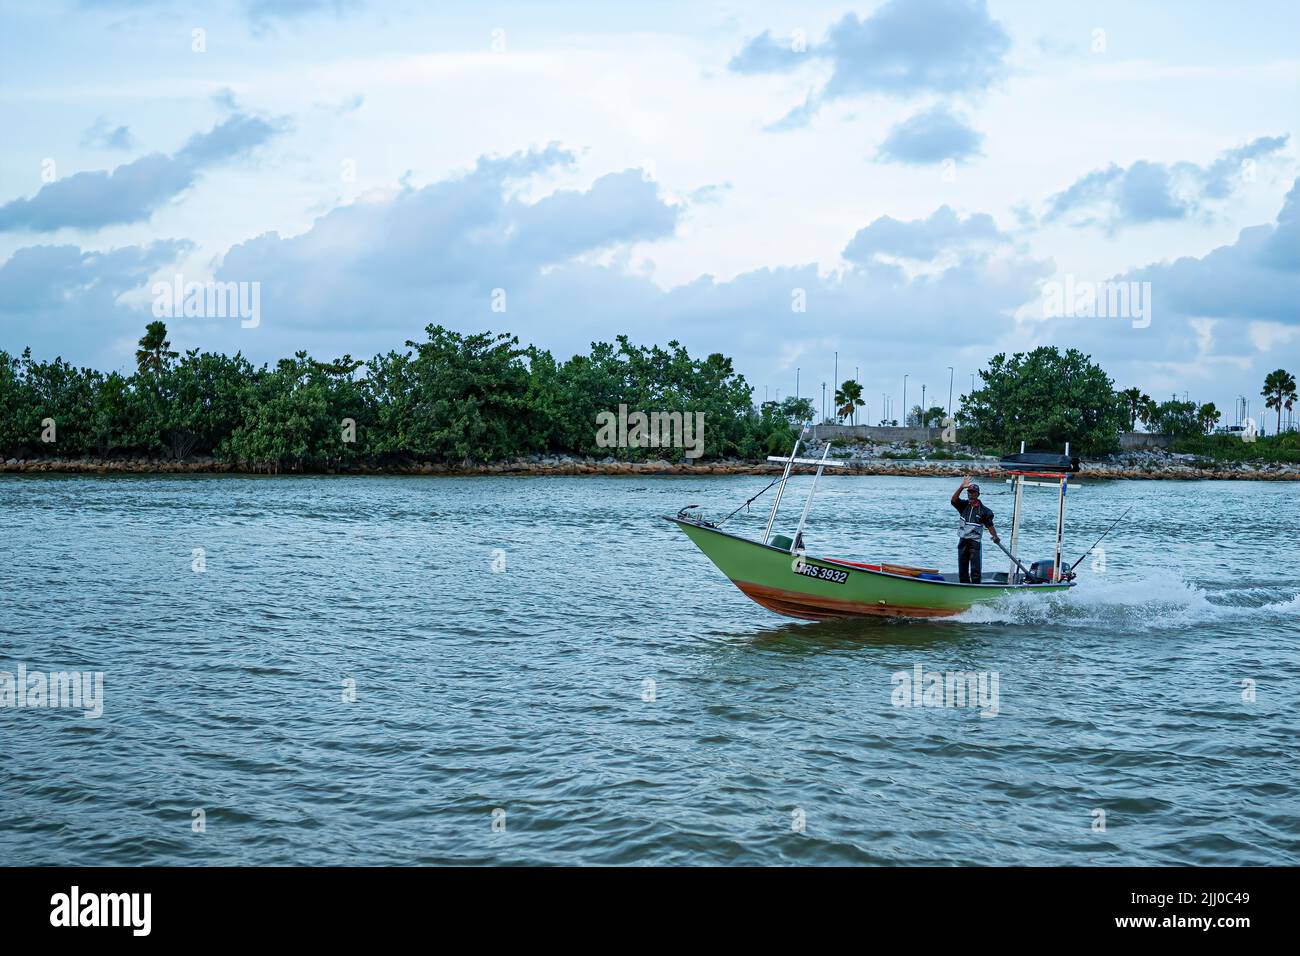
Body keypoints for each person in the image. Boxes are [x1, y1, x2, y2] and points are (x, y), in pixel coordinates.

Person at [950, 477, 1000, 584]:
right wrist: (961, 487)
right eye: (969, 492)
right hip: (963, 541)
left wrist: (995, 537)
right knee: (962, 569)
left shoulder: (984, 511)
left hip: (974, 543)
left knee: (975, 569)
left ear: (978, 495)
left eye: (973, 493)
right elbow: (953, 500)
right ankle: (964, 586)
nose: (971, 495)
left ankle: (976, 586)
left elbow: (990, 526)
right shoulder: (963, 506)